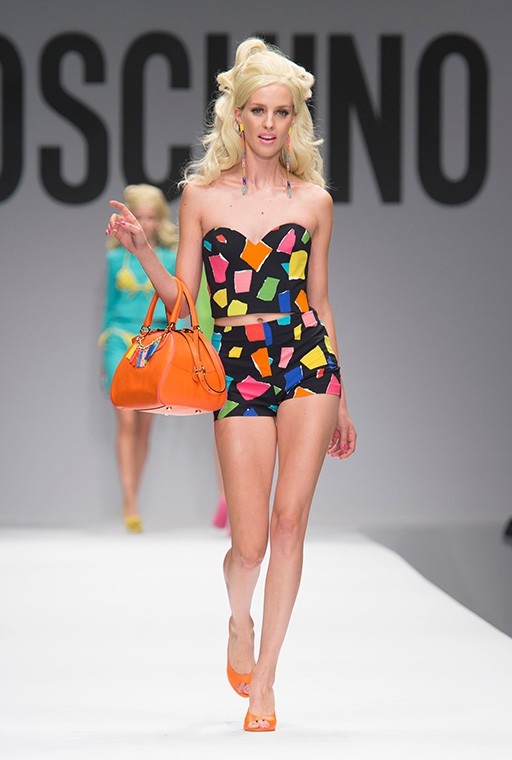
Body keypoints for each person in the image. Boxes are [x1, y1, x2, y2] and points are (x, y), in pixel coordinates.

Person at [106, 38, 356, 730]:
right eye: (258, 110)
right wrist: (142, 252)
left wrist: (342, 394)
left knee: (290, 522)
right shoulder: (201, 198)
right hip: (239, 365)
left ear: (295, 118)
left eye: (282, 111)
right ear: (237, 115)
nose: (270, 124)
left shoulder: (315, 202)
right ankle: (239, 620)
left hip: (307, 361)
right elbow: (184, 305)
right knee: (249, 545)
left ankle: (266, 681)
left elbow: (320, 301)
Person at [100, 183, 213, 533]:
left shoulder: (168, 258)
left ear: (160, 219)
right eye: (140, 216)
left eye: (151, 217)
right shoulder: (114, 259)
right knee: (125, 421)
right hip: (120, 340)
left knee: (145, 425)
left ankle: (132, 494)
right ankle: (130, 500)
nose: (146, 223)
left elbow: (179, 302)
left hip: (155, 344)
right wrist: (104, 351)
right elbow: (109, 306)